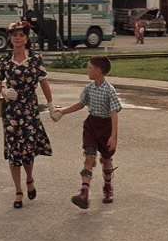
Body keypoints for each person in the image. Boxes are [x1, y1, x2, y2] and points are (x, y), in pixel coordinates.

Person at [0, 20, 62, 209]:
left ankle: (30, 178)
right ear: (10, 38)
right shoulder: (5, 60)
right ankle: (18, 190)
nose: (18, 38)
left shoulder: (35, 58)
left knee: (28, 149)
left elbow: (44, 82)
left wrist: (51, 106)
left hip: (30, 109)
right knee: (14, 150)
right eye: (14, 35)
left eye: (21, 35)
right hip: (11, 111)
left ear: (26, 38)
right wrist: (4, 91)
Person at [51, 56, 123, 209]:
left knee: (107, 159)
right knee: (89, 157)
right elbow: (81, 104)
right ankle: (84, 192)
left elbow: (114, 113)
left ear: (98, 71)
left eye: (89, 68)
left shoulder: (110, 90)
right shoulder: (89, 88)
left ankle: (108, 187)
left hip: (106, 127)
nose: (87, 70)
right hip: (91, 125)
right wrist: (63, 111)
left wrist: (113, 136)